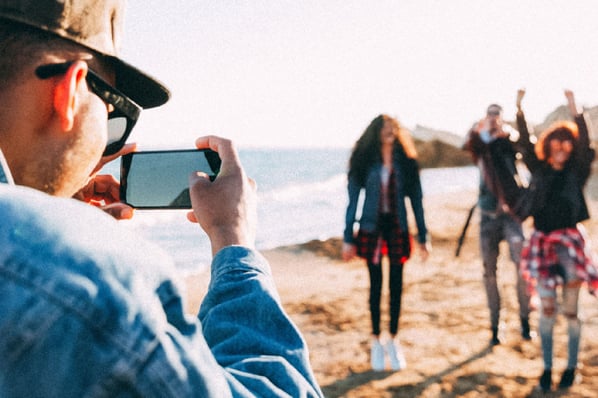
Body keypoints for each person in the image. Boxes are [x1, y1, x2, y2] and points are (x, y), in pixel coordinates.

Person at [0, 1, 323, 397]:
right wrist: (232, 238)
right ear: (70, 91)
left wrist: (47, 213)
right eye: (112, 115)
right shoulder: (82, 284)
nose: (106, 142)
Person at [514, 89, 598, 393]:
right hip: (542, 245)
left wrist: (576, 110)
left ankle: (571, 368)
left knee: (572, 312)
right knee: (548, 312)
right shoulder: (539, 170)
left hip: (570, 246)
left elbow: (586, 143)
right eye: (556, 142)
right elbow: (524, 142)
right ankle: (547, 368)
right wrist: (519, 108)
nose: (561, 147)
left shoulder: (577, 171)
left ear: (572, 146)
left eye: (567, 143)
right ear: (547, 145)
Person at [342, 114, 430, 371]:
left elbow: (417, 201)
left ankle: (393, 338)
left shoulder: (407, 162)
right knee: (375, 286)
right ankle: (376, 341)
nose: (389, 131)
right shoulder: (363, 160)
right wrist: (348, 237)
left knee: (396, 286)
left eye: (393, 127)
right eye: (384, 128)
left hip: (397, 229)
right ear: (376, 132)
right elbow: (353, 201)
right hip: (371, 229)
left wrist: (423, 236)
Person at [462, 103, 532, 346]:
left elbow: (525, 146)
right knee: (489, 273)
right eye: (489, 113)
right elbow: (466, 142)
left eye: (496, 114)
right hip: (487, 214)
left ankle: (525, 321)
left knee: (521, 268)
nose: (493, 117)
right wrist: (481, 128)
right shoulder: (479, 144)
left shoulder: (508, 142)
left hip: (511, 214)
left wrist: (508, 133)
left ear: (501, 117)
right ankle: (495, 327)